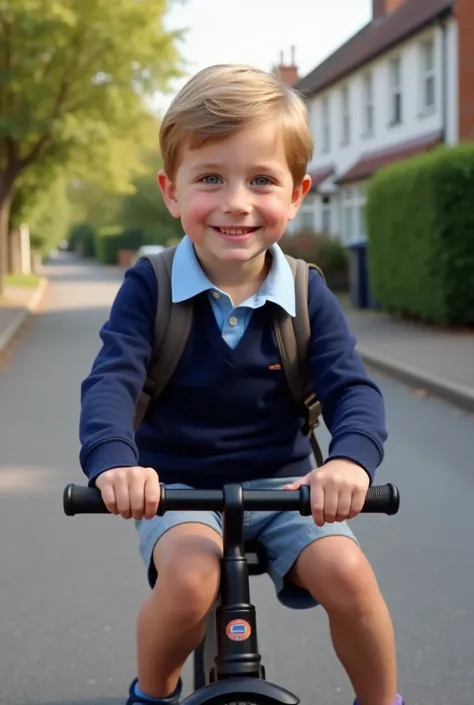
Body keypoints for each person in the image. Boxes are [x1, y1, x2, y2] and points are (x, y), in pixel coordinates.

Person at [79, 64, 404, 705]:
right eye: (210, 179)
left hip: (288, 489)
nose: (236, 201)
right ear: (171, 193)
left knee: (350, 575)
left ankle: (383, 702)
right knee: (190, 583)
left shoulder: (308, 292)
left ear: (297, 192)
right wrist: (116, 464)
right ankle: (153, 693)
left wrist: (349, 462)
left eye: (261, 180)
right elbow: (111, 381)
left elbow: (352, 391)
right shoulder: (150, 287)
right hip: (176, 491)